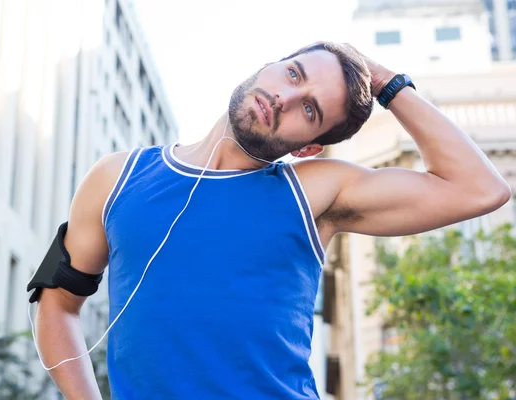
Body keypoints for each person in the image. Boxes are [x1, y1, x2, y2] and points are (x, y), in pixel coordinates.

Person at [31, 42, 511, 399]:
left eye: (309, 108)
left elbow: (480, 189)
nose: (284, 96)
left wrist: (385, 80)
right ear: (268, 65)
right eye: (294, 73)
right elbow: (56, 304)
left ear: (308, 147)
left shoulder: (316, 191)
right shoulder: (117, 176)